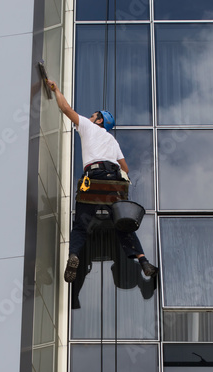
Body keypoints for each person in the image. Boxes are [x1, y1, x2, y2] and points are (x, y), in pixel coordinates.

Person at [47, 79, 158, 282]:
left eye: (93, 116)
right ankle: (143, 261)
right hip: (114, 183)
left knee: (81, 225)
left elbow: (65, 107)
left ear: (98, 121)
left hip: (94, 178)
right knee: (122, 224)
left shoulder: (89, 127)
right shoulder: (112, 141)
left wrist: (56, 90)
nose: (89, 117)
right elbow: (125, 168)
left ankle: (74, 256)